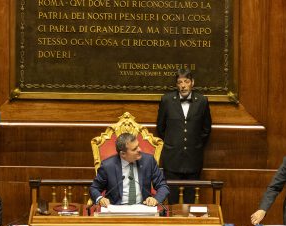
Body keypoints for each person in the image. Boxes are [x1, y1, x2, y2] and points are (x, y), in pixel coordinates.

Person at [156, 68, 212, 204]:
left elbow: (206, 129)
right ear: (176, 85)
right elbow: (161, 127)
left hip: (193, 158)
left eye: (186, 81)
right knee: (172, 200)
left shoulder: (202, 101)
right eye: (180, 82)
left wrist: (195, 144)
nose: (183, 85)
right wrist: (173, 143)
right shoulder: (167, 100)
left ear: (192, 82)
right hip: (172, 158)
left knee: (190, 200)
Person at [90, 132, 170, 207]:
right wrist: (100, 199)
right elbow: (94, 188)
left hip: (144, 207)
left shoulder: (148, 161)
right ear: (123, 154)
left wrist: (155, 199)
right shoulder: (108, 166)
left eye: (138, 146)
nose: (139, 149)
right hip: (116, 209)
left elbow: (163, 186)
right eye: (134, 149)